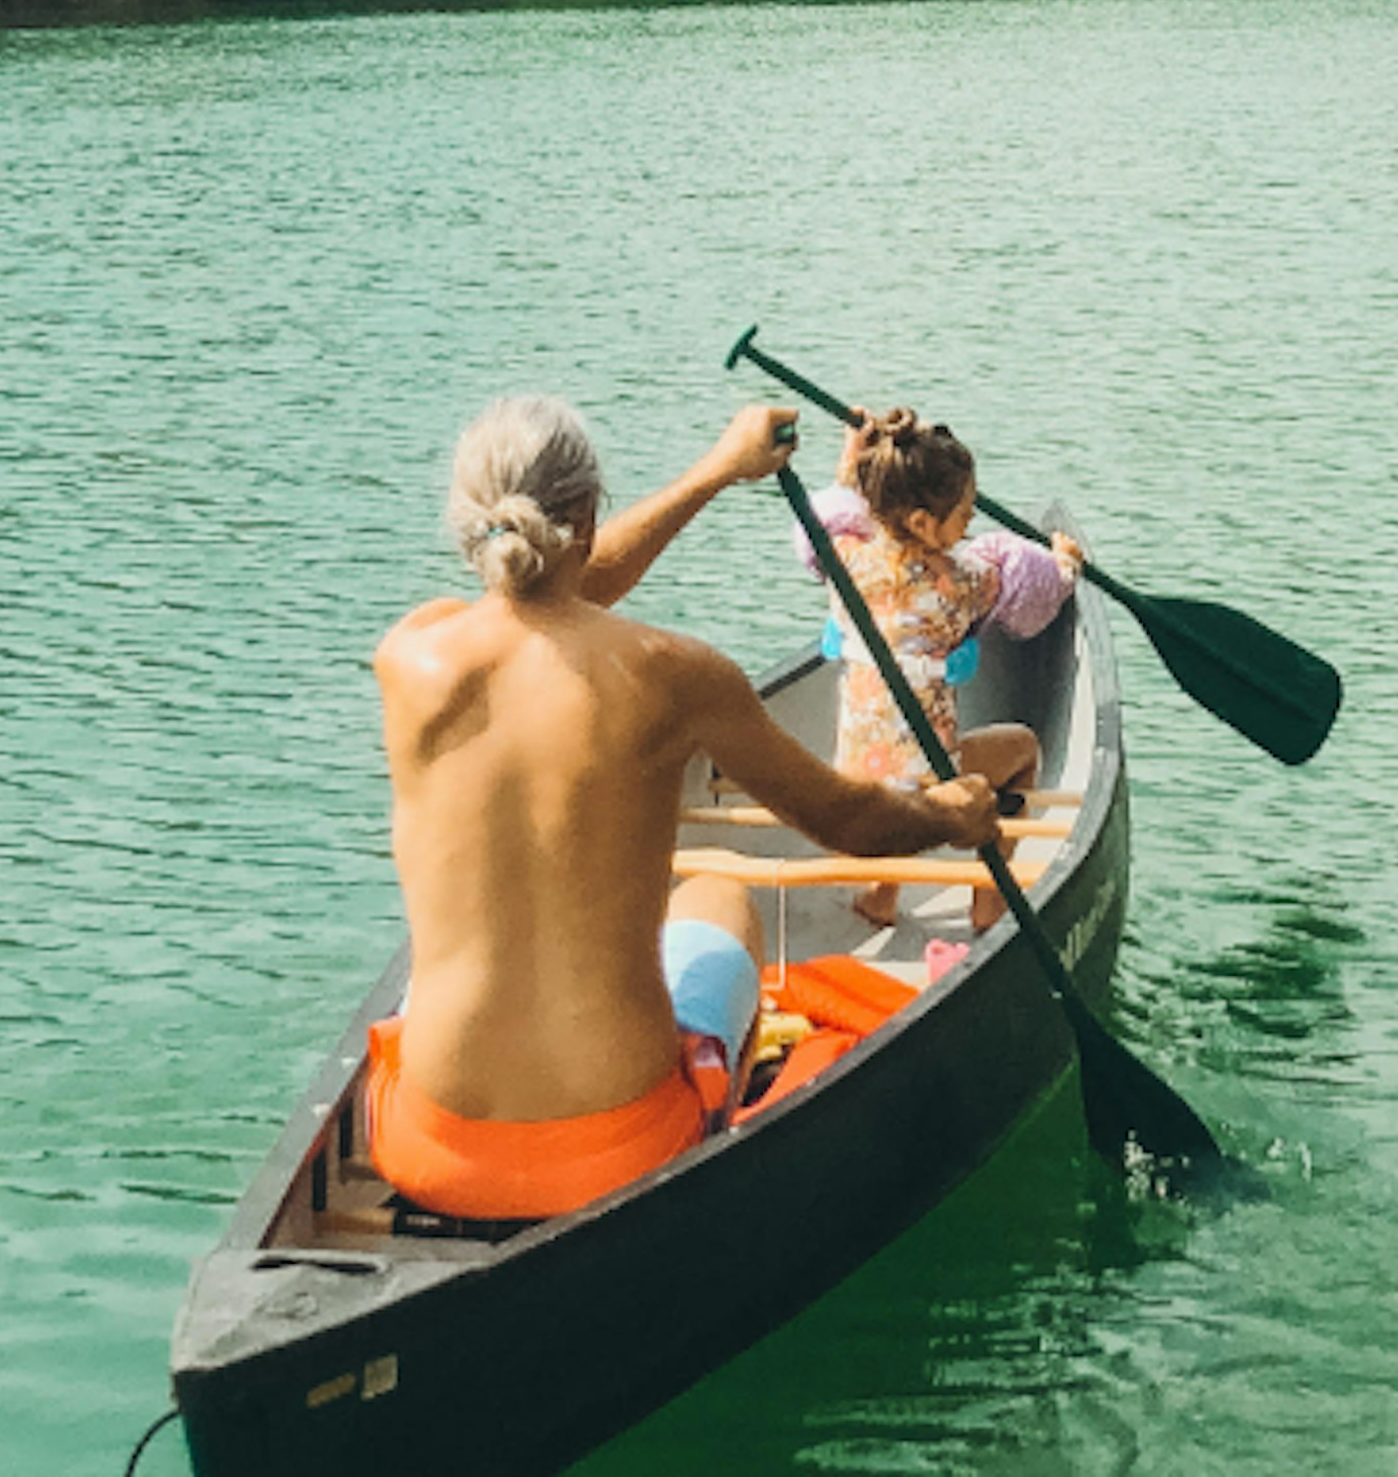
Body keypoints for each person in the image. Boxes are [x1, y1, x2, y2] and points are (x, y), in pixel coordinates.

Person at [366, 395, 1001, 1222]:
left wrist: (715, 472)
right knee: (717, 898)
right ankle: (717, 1131)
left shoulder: (409, 655)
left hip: (427, 1144)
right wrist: (952, 814)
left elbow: (548, 594)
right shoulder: (675, 676)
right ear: (587, 514)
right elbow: (852, 825)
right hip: (619, 1149)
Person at [808, 407, 1080, 928]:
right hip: (933, 791)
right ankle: (987, 897)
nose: (970, 522)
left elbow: (840, 510)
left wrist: (851, 459)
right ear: (921, 522)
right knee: (1022, 749)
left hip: (852, 781)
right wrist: (1065, 563)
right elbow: (1034, 586)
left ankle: (881, 896)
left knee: (888, 761)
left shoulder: (845, 559)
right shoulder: (965, 582)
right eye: (964, 512)